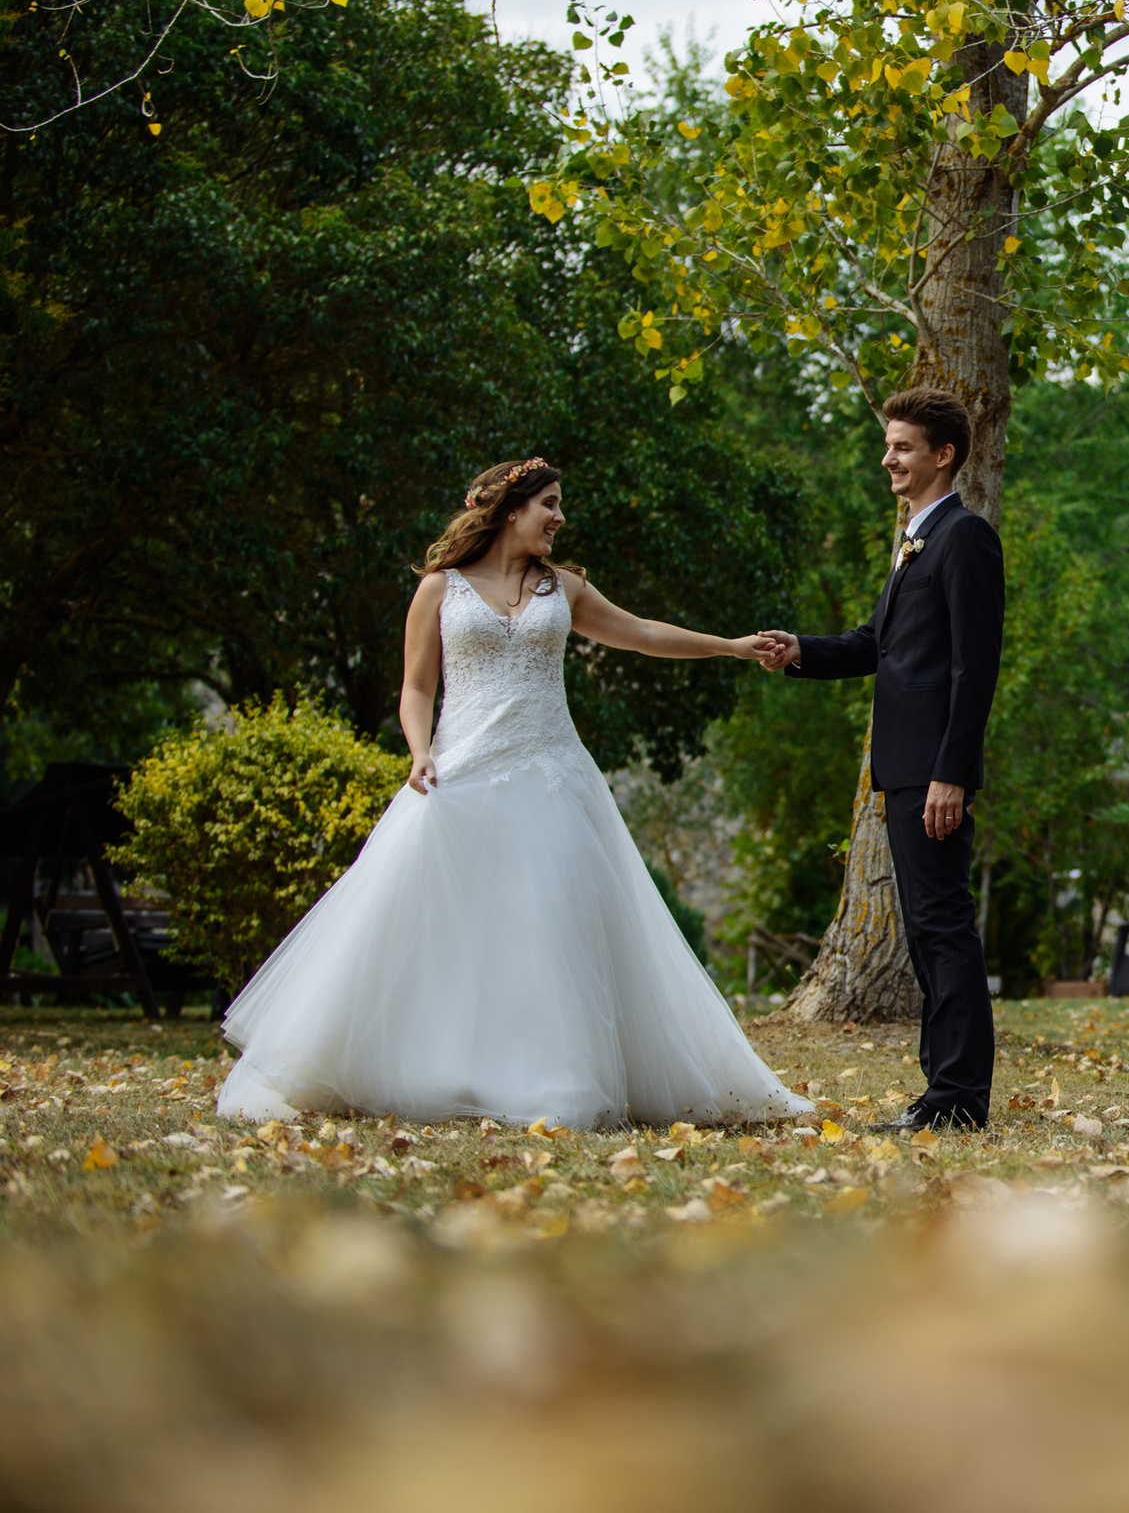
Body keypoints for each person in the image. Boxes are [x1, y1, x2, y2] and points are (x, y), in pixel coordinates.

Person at [216, 457, 811, 1129]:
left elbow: (642, 634)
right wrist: (418, 753)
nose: (559, 518)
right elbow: (416, 688)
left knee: (548, 926)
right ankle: (425, 1069)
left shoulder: (565, 588)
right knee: (435, 929)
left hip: (553, 779)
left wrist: (730, 647)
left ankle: (550, 1082)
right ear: (509, 508)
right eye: (549, 504)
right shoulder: (440, 589)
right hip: (459, 778)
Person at [754, 387, 1004, 1132]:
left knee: (942, 927)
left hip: (932, 773)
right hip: (901, 769)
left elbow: (973, 668)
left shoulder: (964, 538)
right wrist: (801, 651)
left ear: (943, 454)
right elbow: (878, 645)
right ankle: (943, 1091)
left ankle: (957, 1100)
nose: (887, 457)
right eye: (889, 444)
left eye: (901, 446)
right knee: (928, 933)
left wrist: (951, 772)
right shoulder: (914, 541)